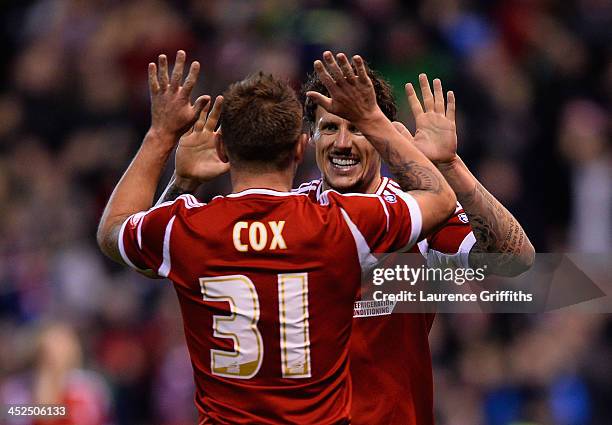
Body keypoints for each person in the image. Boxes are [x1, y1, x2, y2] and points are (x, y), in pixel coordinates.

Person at [97, 50, 457, 424]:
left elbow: (114, 231)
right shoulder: (340, 226)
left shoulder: (186, 228)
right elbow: (440, 199)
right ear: (301, 147)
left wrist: (161, 138)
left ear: (223, 149)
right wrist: (371, 119)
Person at [297, 62, 535, 424]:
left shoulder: (420, 214)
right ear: (311, 136)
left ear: (383, 136)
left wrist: (450, 165)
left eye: (358, 128)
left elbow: (515, 260)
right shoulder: (287, 214)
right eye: (330, 127)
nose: (342, 143)